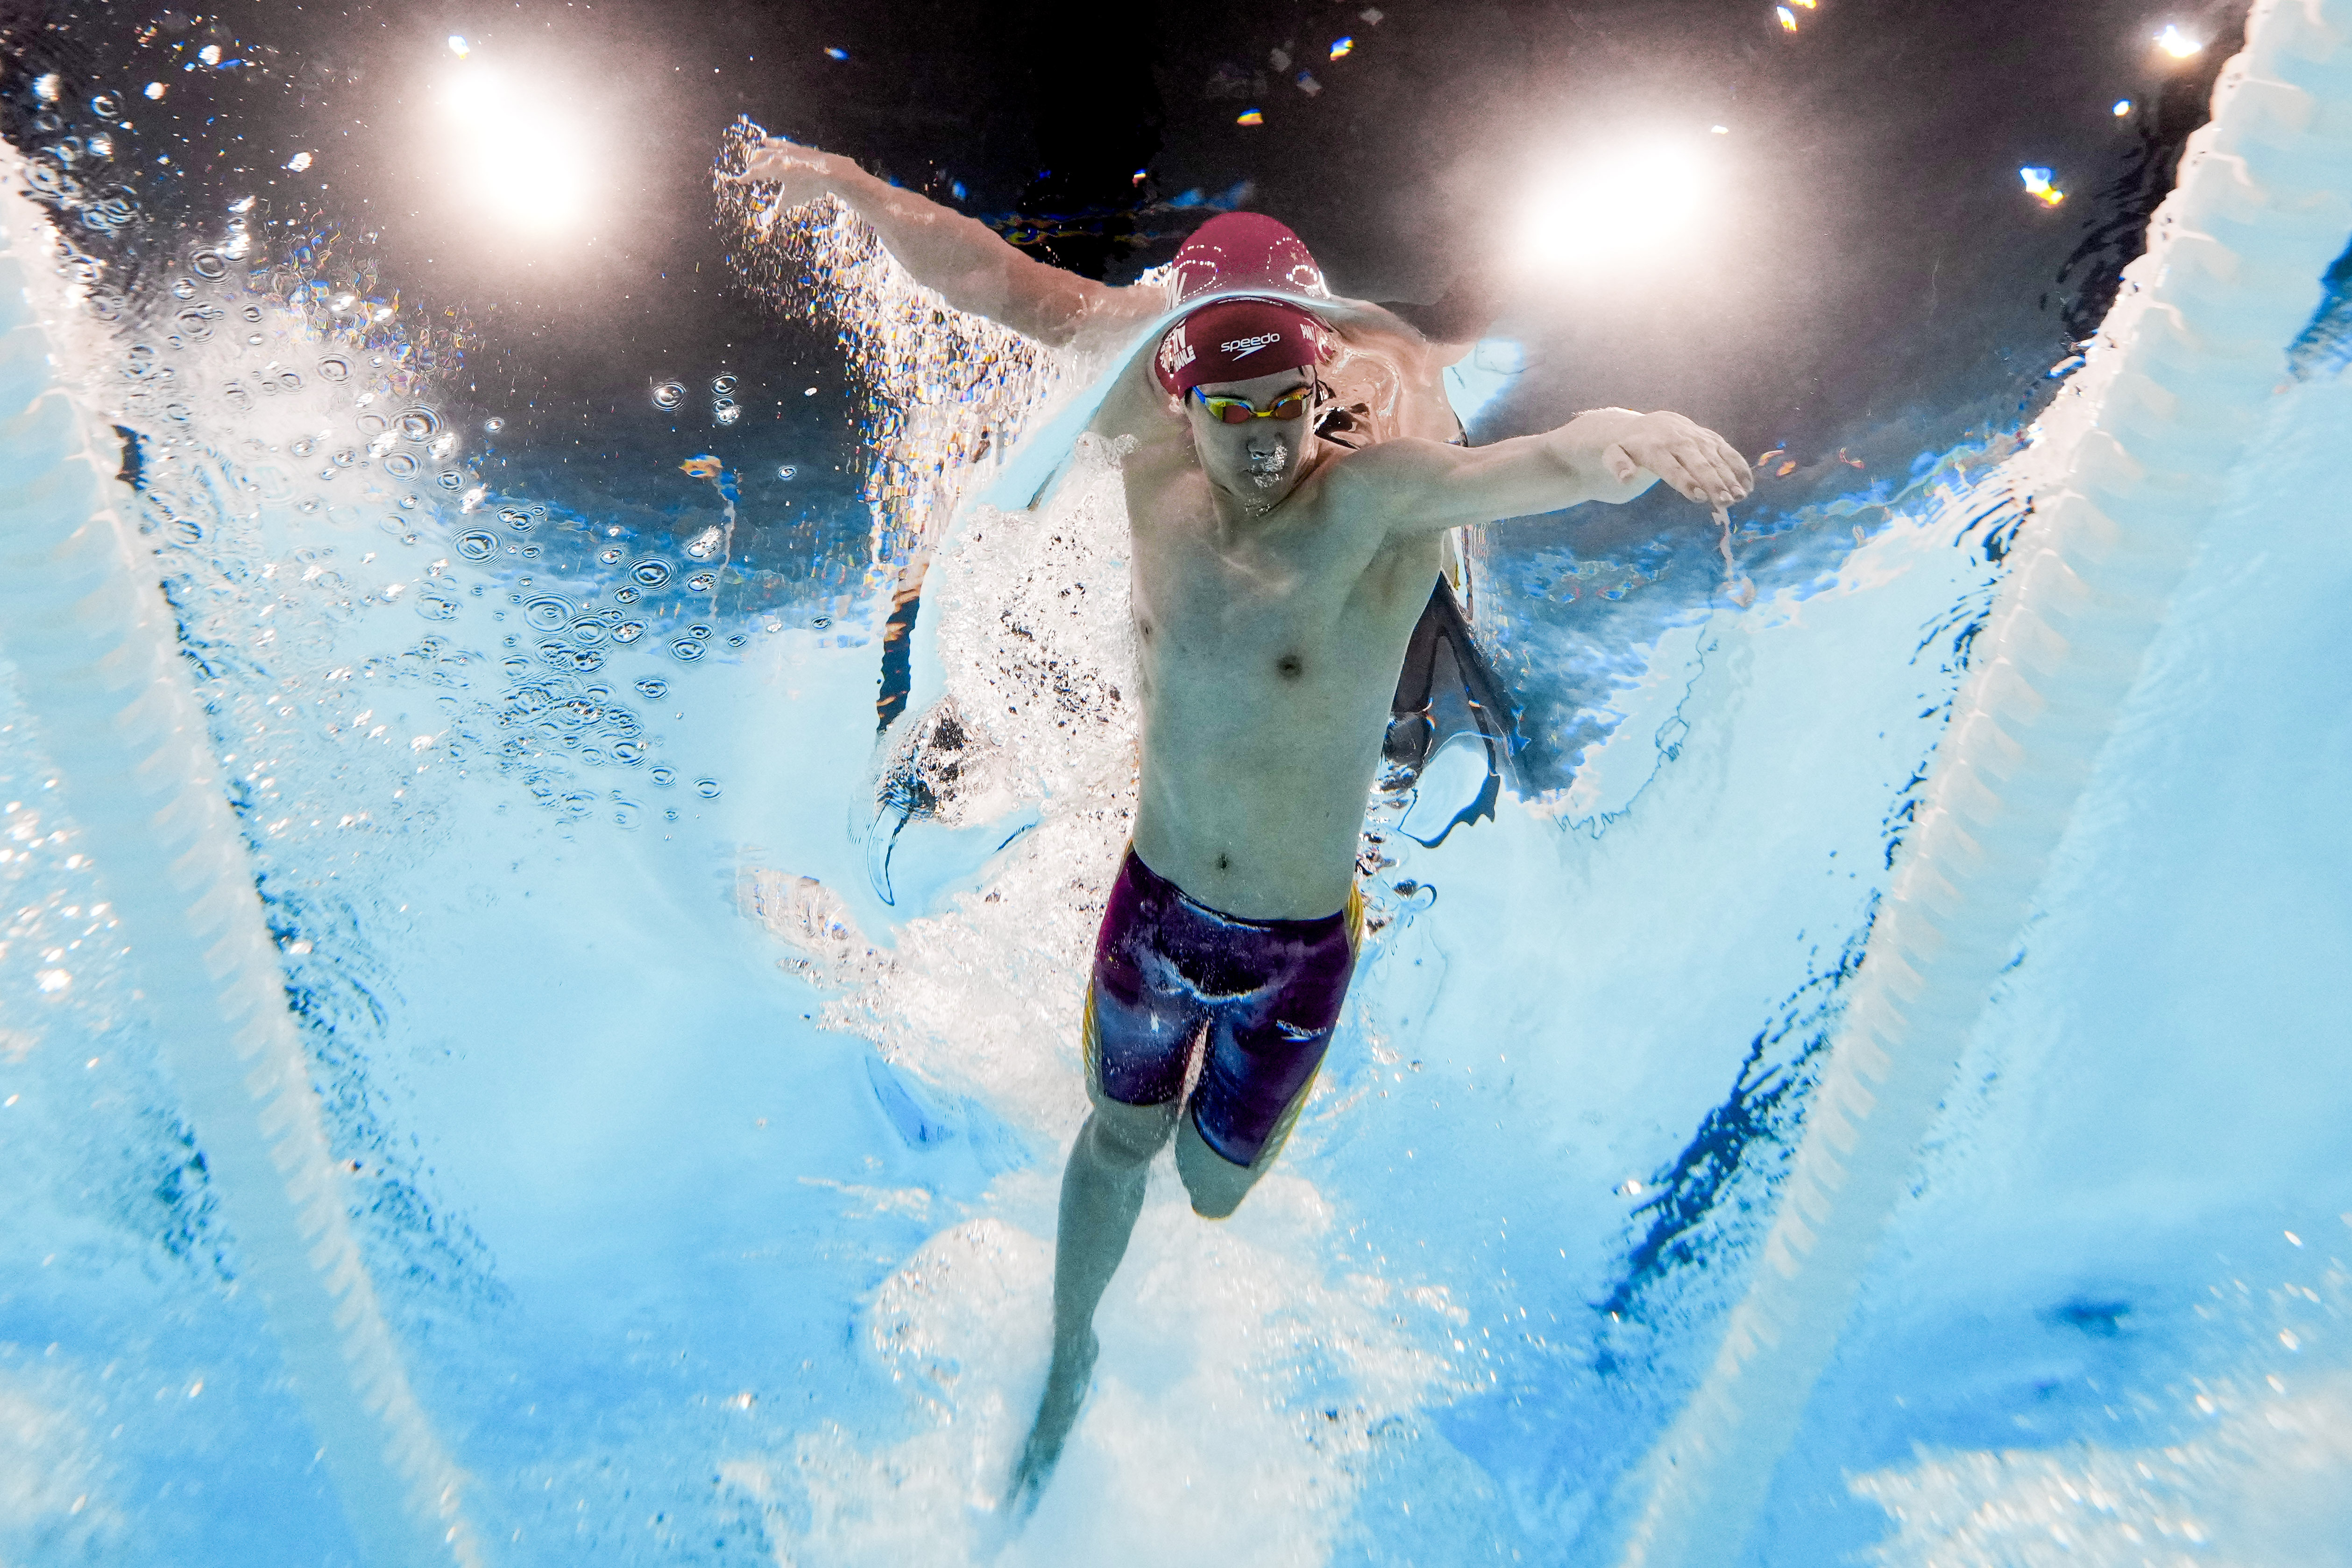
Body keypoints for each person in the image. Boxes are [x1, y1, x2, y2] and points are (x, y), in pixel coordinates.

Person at [726, 140, 1754, 1513]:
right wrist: (853, 191)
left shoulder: (1373, 494)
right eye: (1231, 408)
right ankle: (1068, 1353)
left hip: (1295, 954)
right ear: (1178, 391)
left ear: (1323, 386)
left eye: (1289, 404)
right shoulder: (1144, 448)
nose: (1265, 439)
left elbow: (1541, 461)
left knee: (1209, 1196)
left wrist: (1625, 439)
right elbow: (992, 281)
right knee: (1115, 1144)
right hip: (1150, 917)